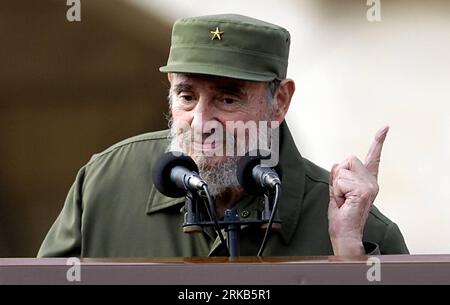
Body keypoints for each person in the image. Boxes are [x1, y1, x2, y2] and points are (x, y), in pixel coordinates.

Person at [38, 14, 408, 257]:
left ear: (279, 102)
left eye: (227, 98)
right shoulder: (104, 184)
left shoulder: (360, 230)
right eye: (187, 96)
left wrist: (350, 259)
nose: (200, 122)